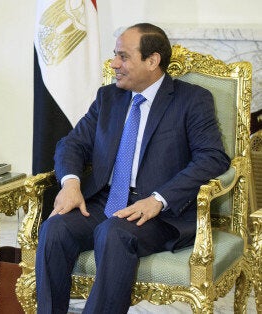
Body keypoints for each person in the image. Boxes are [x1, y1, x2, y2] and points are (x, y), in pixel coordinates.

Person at [35, 23, 230, 313]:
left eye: (123, 56)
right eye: (115, 55)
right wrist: (71, 183)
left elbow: (212, 157)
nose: (113, 64)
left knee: (113, 233)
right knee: (54, 228)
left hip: (158, 212)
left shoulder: (191, 99)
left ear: (152, 61)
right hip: (104, 200)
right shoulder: (108, 98)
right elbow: (72, 144)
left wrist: (159, 199)